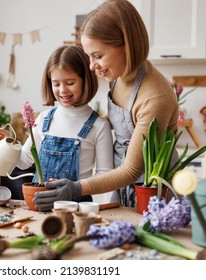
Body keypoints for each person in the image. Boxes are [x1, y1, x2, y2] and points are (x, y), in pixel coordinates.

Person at [33, 0, 179, 211]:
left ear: (126, 46)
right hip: (122, 186)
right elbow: (124, 121)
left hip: (151, 192)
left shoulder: (155, 97)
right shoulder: (118, 75)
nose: (91, 66)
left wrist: (76, 188)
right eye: (89, 56)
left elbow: (131, 170)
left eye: (98, 56)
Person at [0, 45, 114, 202]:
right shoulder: (44, 118)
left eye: (70, 82)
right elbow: (24, 161)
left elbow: (105, 176)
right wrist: (5, 144)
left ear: (86, 80)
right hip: (39, 205)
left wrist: (75, 188)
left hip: (75, 208)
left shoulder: (99, 126)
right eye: (56, 84)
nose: (62, 90)